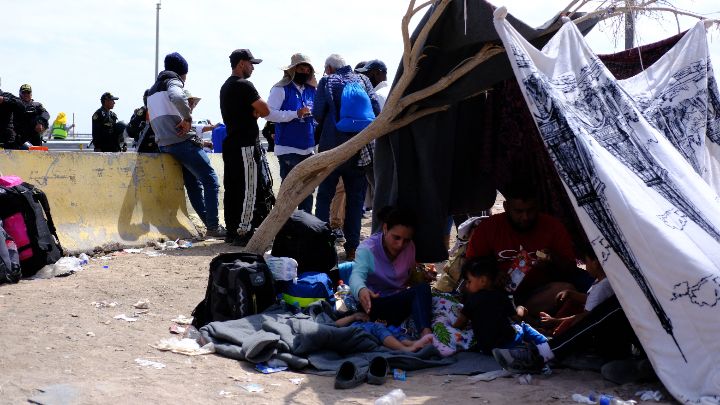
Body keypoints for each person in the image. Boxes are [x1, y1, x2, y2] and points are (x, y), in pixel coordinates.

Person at [465, 182, 591, 315]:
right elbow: (470, 266)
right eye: (519, 211)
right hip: (499, 294)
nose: (525, 217)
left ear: (537, 206)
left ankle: (517, 314)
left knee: (566, 290)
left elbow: (571, 269)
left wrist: (553, 260)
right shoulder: (488, 228)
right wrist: (492, 275)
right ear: (506, 207)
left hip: (538, 294)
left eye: (530, 210)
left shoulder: (553, 227)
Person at [147, 52, 225, 238]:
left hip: (164, 144)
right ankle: (213, 226)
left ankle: (210, 225)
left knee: (193, 184)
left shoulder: (152, 90)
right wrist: (188, 118)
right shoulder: (173, 82)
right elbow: (177, 96)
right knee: (210, 180)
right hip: (181, 141)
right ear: (183, 72)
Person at [313, 54, 381, 259]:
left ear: (329, 69)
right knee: (355, 199)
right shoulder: (364, 80)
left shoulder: (327, 81)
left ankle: (322, 245)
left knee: (325, 196)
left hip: (331, 149)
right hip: (357, 148)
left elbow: (317, 113)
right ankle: (352, 248)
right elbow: (376, 110)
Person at [452, 256, 554, 373]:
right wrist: (521, 309)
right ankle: (546, 347)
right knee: (524, 327)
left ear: (483, 281)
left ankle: (522, 351)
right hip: (509, 341)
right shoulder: (501, 296)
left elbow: (460, 324)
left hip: (486, 348)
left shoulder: (471, 301)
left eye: (469, 281)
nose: (466, 285)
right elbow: (516, 317)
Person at [349, 206, 434, 337]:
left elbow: (408, 279)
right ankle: (425, 333)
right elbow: (356, 276)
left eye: (406, 240)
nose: (400, 244)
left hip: (397, 303)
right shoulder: (367, 249)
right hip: (374, 305)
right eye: (396, 238)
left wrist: (422, 277)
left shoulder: (410, 247)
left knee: (423, 289)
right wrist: (361, 290)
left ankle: (426, 335)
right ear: (385, 228)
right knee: (420, 292)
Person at [219, 48, 275, 245]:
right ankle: (244, 231)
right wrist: (255, 112)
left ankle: (232, 230)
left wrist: (254, 111)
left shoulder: (225, 86)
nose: (253, 68)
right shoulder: (244, 85)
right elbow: (266, 109)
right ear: (242, 63)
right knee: (249, 188)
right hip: (246, 145)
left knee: (232, 188)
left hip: (231, 143)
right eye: (251, 64)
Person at [265, 53, 317, 213]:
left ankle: (305, 227)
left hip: (308, 148)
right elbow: (269, 114)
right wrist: (295, 114)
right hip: (288, 149)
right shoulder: (280, 89)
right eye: (301, 68)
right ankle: (284, 226)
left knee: (307, 192)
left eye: (308, 69)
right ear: (293, 70)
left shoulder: (311, 90)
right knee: (290, 191)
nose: (305, 72)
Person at [539, 245, 615, 337]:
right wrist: (570, 293)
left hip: (586, 326)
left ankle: (554, 333)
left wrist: (555, 321)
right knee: (571, 302)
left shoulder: (601, 288)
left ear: (595, 263)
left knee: (573, 316)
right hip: (584, 314)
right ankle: (552, 327)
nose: (585, 266)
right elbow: (590, 299)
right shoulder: (601, 280)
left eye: (586, 262)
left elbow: (583, 317)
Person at [356, 59, 389, 215]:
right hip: (395, 150)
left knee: (381, 194)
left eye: (368, 75)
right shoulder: (394, 90)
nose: (366, 79)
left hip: (379, 151)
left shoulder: (376, 95)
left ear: (376, 73)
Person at [335, 311, 434, 352]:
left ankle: (412, 343)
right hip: (357, 331)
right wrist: (354, 316)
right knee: (378, 328)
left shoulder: (370, 323)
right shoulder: (353, 322)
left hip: (372, 332)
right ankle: (405, 349)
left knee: (390, 330)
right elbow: (335, 325)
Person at [13, 84, 50, 149]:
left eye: (28, 92)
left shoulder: (37, 105)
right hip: (19, 138)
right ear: (20, 94)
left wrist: (40, 123)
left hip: (34, 138)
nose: (26, 94)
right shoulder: (14, 104)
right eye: (24, 92)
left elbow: (46, 114)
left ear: (31, 94)